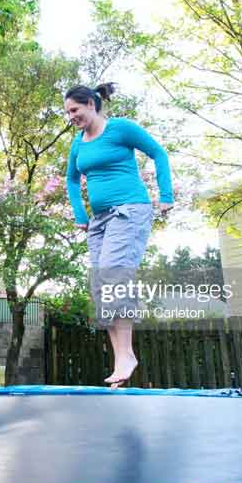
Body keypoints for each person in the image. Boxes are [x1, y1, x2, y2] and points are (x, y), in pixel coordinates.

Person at [64, 83, 173, 388]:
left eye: (74, 110)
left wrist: (165, 193)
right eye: (68, 112)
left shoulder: (121, 128)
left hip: (129, 210)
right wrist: (80, 214)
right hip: (99, 221)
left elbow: (158, 153)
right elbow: (72, 180)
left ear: (90, 104)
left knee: (113, 275)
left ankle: (126, 355)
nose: (71, 116)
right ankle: (121, 357)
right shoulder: (78, 143)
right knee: (101, 286)